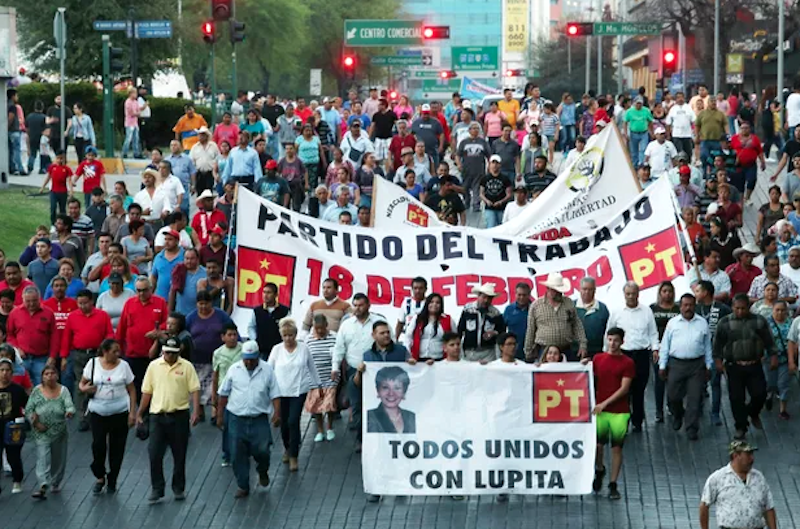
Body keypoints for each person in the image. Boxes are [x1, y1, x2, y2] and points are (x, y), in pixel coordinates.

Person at [136, 336, 200, 503]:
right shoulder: (153, 366)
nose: (170, 356)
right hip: (157, 416)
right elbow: (147, 391)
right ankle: (157, 488)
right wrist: (139, 412)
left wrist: (196, 411)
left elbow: (194, 389)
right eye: (167, 352)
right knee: (154, 454)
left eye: (173, 353)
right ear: (162, 351)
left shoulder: (187, 366)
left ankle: (178, 488)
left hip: (179, 415)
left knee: (179, 454)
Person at [216, 340, 279, 499]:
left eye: (252, 359)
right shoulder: (234, 370)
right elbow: (223, 393)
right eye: (246, 359)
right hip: (236, 418)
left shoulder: (267, 370)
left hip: (259, 418)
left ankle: (262, 470)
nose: (249, 362)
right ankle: (243, 485)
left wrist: (277, 413)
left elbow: (275, 393)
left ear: (258, 357)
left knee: (263, 450)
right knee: (237, 453)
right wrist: (219, 414)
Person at [714, 294, 777, 440]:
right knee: (736, 398)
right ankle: (741, 427)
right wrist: (717, 361)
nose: (740, 311)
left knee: (760, 394)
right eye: (737, 308)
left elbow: (769, 340)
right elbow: (717, 344)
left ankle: (753, 412)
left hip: (754, 364)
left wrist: (773, 355)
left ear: (748, 307)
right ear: (732, 307)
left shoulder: (759, 321)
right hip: (734, 366)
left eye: (743, 308)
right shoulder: (724, 322)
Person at [78, 338, 136, 495]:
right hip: (98, 411)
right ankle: (99, 475)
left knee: (117, 447)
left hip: (119, 412)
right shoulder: (92, 364)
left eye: (118, 351)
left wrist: (132, 412)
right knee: (98, 445)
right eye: (114, 351)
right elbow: (82, 383)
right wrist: (85, 389)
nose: (118, 354)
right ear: (105, 352)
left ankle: (113, 478)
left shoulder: (124, 366)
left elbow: (131, 390)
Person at [331, 293, 385, 450]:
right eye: (355, 305)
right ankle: (361, 440)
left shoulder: (378, 322)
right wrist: (335, 367)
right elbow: (339, 347)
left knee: (377, 404)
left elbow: (390, 340)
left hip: (375, 369)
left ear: (368, 305)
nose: (357, 308)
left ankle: (378, 439)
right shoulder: (346, 325)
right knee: (356, 405)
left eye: (361, 305)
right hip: (353, 370)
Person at [267, 318, 321, 472]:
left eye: (290, 335)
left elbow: (311, 367)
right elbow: (269, 369)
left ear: (295, 334)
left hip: (299, 390)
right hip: (280, 391)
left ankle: (294, 455)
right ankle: (287, 447)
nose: (288, 338)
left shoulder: (304, 349)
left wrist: (317, 386)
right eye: (285, 335)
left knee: (293, 421)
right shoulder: (276, 350)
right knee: (284, 423)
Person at [586, 327, 634, 501]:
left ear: (622, 342)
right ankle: (600, 468)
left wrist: (604, 403)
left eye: (616, 340)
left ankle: (613, 483)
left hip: (619, 412)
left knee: (616, 448)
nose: (612, 344)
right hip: (601, 410)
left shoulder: (627, 363)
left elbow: (624, 388)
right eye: (610, 340)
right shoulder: (598, 359)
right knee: (598, 446)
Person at [604, 281, 659, 432]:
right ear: (624, 294)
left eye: (633, 293)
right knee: (622, 391)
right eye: (628, 294)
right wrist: (606, 352)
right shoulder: (617, 312)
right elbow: (608, 332)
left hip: (641, 355)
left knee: (639, 389)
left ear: (638, 294)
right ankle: (623, 420)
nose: (630, 296)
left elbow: (653, 332)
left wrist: (655, 349)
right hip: (623, 355)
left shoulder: (646, 311)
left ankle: (637, 421)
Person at [658, 294, 712, 441]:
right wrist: (662, 365)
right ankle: (678, 414)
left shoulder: (702, 323)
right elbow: (665, 345)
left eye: (691, 305)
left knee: (695, 398)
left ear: (695, 306)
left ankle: (691, 428)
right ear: (680, 307)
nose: (688, 308)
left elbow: (707, 346)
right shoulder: (672, 323)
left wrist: (709, 365)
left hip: (696, 365)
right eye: (685, 305)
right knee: (672, 395)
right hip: (676, 364)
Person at [700, 441, 777, 529]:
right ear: (735, 456)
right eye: (748, 455)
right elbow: (704, 506)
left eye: (752, 454)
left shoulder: (759, 477)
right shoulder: (718, 478)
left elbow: (768, 507)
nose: (752, 458)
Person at [26, 364, 75, 499]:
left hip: (59, 431)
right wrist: (35, 422)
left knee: (58, 458)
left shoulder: (63, 391)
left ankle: (55, 481)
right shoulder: (36, 391)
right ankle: (43, 484)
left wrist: (69, 412)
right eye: (46, 374)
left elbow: (69, 405)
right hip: (41, 431)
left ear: (57, 376)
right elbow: (29, 409)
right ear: (42, 377)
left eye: (52, 373)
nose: (49, 376)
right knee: (43, 456)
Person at [116, 277, 168, 401]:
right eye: (138, 290)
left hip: (152, 354)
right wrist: (118, 349)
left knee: (152, 386)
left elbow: (167, 323)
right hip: (132, 353)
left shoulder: (160, 302)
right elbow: (121, 327)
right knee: (135, 387)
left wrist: (157, 331)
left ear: (151, 289)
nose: (141, 293)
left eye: (144, 290)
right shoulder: (129, 303)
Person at [185, 290, 232, 421]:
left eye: (206, 303)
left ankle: (215, 412)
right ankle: (199, 411)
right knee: (198, 386)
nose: (204, 306)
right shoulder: (191, 317)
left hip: (216, 359)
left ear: (211, 303)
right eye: (201, 304)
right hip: (197, 359)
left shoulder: (220, 315)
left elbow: (231, 328)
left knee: (215, 387)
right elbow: (184, 333)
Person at [524, 272, 587, 362]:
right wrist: (528, 352)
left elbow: (577, 324)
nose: (558, 292)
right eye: (555, 290)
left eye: (559, 290)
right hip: (544, 351)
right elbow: (531, 330)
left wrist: (583, 344)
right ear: (548, 289)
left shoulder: (569, 303)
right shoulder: (536, 305)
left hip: (565, 349)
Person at [6, 287, 56, 386]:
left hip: (41, 358)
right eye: (28, 301)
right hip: (21, 359)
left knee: (42, 386)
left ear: (39, 299)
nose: (31, 304)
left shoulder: (48, 313)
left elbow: (54, 336)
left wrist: (52, 356)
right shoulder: (14, 313)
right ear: (23, 299)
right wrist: (17, 349)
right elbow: (10, 335)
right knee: (20, 386)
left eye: (34, 301)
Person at [648, 281, 680, 424]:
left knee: (673, 380)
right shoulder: (652, 308)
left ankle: (671, 406)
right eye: (664, 291)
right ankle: (659, 411)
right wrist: (654, 348)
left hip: (675, 349)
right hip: (658, 348)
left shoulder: (678, 308)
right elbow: (650, 329)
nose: (667, 294)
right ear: (660, 293)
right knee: (659, 379)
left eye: (670, 291)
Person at [304, 314, 338, 443]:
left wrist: (335, 370)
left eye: (321, 328)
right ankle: (319, 430)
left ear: (326, 326)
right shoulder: (308, 339)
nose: (319, 331)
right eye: (316, 328)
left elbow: (337, 355)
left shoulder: (334, 337)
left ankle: (329, 427)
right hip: (313, 377)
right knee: (316, 404)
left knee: (329, 404)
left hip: (330, 376)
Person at [0, 356, 28, 494]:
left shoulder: (17, 390)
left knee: (13, 455)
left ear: (12, 372)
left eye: (7, 370)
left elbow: (28, 405)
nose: (4, 373)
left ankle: (17, 480)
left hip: (12, 428)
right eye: (2, 370)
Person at [458, 283, 506, 362]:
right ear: (478, 296)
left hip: (488, 352)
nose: (486, 300)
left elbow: (502, 331)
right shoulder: (468, 310)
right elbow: (460, 329)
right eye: (484, 297)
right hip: (470, 352)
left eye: (489, 298)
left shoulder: (495, 313)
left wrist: (494, 333)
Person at [247, 282, 291, 359]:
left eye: (269, 292)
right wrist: (255, 340)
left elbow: (288, 329)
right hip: (261, 351)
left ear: (276, 295)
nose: (265, 295)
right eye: (264, 292)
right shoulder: (257, 311)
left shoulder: (284, 311)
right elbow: (251, 327)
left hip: (278, 351)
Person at [404, 293, 453, 361]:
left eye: (437, 303)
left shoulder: (448, 319)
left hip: (440, 359)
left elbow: (454, 338)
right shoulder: (417, 318)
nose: (434, 304)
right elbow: (408, 337)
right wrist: (408, 355)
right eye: (431, 302)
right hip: (418, 360)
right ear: (427, 304)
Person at [767, 301, 793, 419]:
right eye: (777, 310)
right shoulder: (766, 323)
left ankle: (783, 409)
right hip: (769, 358)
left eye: (782, 310)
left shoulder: (791, 323)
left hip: (785, 358)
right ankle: (769, 395)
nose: (780, 312)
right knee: (770, 382)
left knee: (783, 384)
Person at [576, 277, 611, 358]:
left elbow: (607, 331)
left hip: (596, 352)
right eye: (584, 289)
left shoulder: (602, 308)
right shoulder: (571, 307)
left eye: (590, 289)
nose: (587, 292)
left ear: (595, 290)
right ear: (580, 290)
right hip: (574, 351)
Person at [39, 149, 72, 226]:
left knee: (62, 209)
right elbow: (48, 178)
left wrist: (71, 191)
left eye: (61, 158)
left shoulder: (66, 169)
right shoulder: (52, 167)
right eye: (58, 158)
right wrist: (42, 187)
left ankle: (63, 224)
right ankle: (53, 224)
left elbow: (69, 180)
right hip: (53, 191)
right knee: (53, 208)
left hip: (63, 192)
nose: (60, 160)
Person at [151, 230, 185, 301]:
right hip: (161, 299)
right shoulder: (159, 257)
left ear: (177, 241)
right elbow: (154, 277)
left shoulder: (185, 256)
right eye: (165, 239)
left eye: (170, 239)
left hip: (179, 298)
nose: (166, 242)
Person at [480, 156, 512, 228]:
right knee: (490, 226)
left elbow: (509, 194)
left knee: (502, 227)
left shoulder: (505, 178)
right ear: (490, 164)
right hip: (489, 208)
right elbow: (481, 193)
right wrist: (487, 201)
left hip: (502, 208)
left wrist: (501, 202)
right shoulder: (485, 178)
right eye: (493, 163)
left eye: (497, 163)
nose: (495, 165)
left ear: (500, 165)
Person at [502, 283, 531, 361]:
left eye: (524, 295)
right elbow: (502, 331)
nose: (521, 297)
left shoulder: (535, 309)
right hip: (513, 353)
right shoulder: (509, 309)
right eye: (519, 295)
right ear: (515, 294)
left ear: (529, 295)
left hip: (531, 353)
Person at [189, 127, 220, 195]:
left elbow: (218, 158)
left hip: (210, 173)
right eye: (199, 135)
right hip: (199, 173)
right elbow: (191, 161)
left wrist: (216, 172)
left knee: (209, 193)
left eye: (202, 135)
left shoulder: (213, 146)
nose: (200, 137)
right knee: (199, 193)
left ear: (206, 136)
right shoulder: (195, 147)